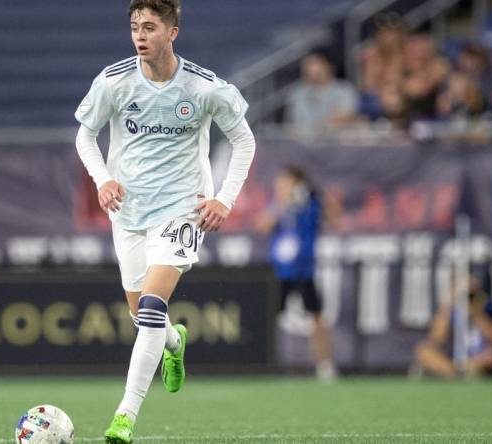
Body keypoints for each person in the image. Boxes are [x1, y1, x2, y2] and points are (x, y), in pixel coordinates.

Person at [74, 1, 256, 442]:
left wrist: (224, 199)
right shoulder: (114, 81)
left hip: (181, 209)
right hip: (129, 213)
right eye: (135, 26)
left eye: (150, 27)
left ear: (172, 33)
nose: (140, 35)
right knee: (144, 317)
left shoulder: (203, 88)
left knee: (152, 307)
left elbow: (243, 140)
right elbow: (85, 135)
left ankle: (125, 416)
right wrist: (103, 179)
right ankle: (174, 342)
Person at [255, 165, 337, 381]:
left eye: (286, 183)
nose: (281, 187)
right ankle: (264, 363)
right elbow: (262, 227)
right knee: (268, 318)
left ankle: (324, 365)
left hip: (304, 269)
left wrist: (317, 196)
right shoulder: (279, 206)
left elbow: (334, 220)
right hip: (281, 272)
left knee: (317, 317)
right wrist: (282, 203)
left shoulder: (311, 203)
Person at [412, 277, 492, 379]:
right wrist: (449, 303)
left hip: (477, 357)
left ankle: (464, 372)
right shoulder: (450, 311)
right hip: (452, 359)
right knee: (424, 351)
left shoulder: (490, 310)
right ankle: (456, 373)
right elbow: (436, 338)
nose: (466, 298)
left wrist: (476, 312)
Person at [286, 51, 359, 141]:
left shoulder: (344, 89)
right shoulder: (297, 92)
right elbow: (295, 122)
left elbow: (344, 116)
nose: (312, 69)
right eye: (308, 65)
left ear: (329, 66)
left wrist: (318, 128)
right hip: (305, 145)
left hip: (337, 143)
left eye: (316, 64)